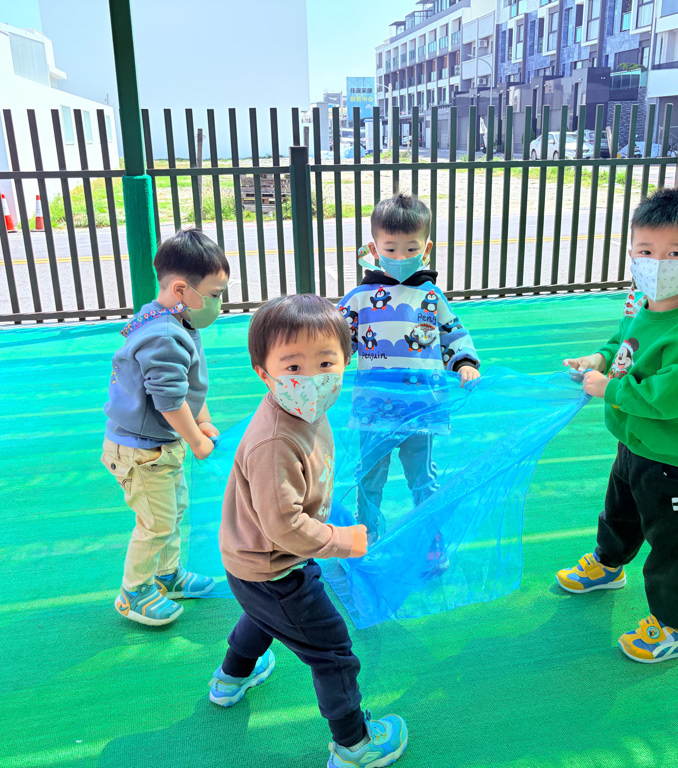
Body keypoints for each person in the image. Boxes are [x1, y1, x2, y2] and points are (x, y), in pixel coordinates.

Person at [212, 294, 408, 768]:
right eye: (293, 366)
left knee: (264, 617)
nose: (312, 378)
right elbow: (284, 525)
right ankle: (354, 745)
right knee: (332, 651)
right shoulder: (276, 439)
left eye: (325, 363)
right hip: (276, 566)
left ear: (346, 361)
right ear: (264, 373)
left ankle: (231, 677)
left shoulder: (304, 410)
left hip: (254, 563)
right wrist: (341, 541)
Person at [557, 187, 678, 663]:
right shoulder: (643, 303)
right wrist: (599, 359)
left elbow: (675, 394)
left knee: (674, 545)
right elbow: (623, 343)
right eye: (646, 252)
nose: (657, 264)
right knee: (622, 509)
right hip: (636, 441)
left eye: (674, 254)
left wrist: (609, 390)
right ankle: (609, 564)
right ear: (633, 256)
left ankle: (676, 628)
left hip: (676, 456)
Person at [337, 193, 480, 554]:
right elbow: (335, 339)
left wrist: (464, 362)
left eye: (410, 248)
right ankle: (365, 536)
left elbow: (452, 332)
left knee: (423, 478)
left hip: (421, 407)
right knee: (369, 476)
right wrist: (328, 362)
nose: (400, 257)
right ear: (374, 249)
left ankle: (431, 539)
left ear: (425, 249)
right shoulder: (359, 298)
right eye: (391, 248)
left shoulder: (431, 296)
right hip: (374, 408)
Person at [102, 229, 228, 626]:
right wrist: (197, 440)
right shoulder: (165, 335)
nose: (219, 303)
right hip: (141, 452)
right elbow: (169, 400)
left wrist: (202, 419)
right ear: (181, 290)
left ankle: (166, 575)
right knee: (156, 522)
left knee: (173, 511)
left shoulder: (168, 317)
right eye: (214, 294)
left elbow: (185, 386)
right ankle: (134, 591)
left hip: (158, 445)